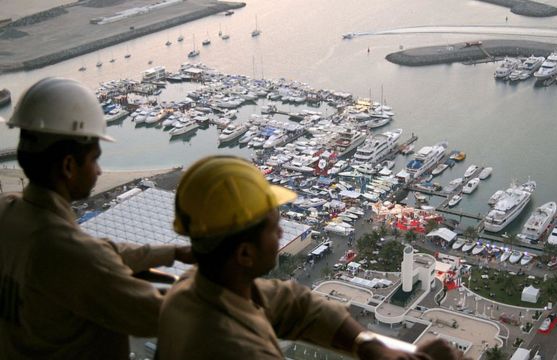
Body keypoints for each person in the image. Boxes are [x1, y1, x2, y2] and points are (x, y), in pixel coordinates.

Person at [157, 156, 468, 360]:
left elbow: (295, 302)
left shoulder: (194, 291)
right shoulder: (233, 347)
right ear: (245, 253)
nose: (281, 236)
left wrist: (367, 344)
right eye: (273, 229)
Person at [0, 77, 194, 359]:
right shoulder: (69, 254)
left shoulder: (8, 212)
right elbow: (164, 315)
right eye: (94, 159)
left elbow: (102, 253)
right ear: (68, 166)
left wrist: (172, 252)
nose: (100, 171)